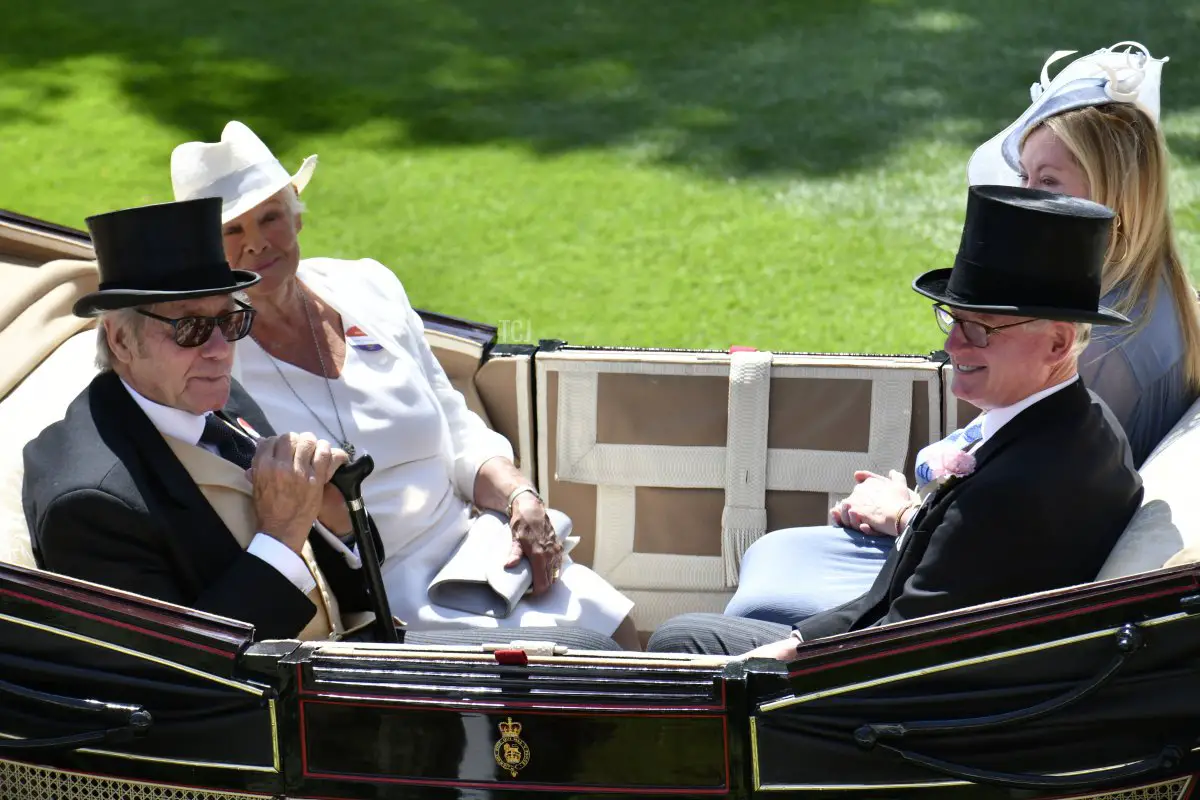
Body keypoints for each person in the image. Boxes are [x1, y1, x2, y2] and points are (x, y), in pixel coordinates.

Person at [725, 40, 1200, 627]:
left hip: (965, 577)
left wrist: (907, 515)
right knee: (772, 555)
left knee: (739, 599)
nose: (1024, 199)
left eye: (1048, 183)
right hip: (963, 536)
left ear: (1114, 196)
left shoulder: (1096, 347)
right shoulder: (1140, 299)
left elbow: (1033, 524)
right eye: (1025, 177)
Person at [21, 197, 620, 652]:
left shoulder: (219, 404)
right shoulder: (90, 503)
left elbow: (351, 570)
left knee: (608, 655)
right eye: (188, 328)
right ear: (120, 339)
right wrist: (284, 530)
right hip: (282, 742)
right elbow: (187, 678)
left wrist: (337, 519)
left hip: (368, 654)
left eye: (229, 323)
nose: (218, 350)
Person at [170, 122, 638, 649]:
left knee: (620, 629)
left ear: (297, 218)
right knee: (589, 659)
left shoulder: (366, 285)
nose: (256, 242)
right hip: (384, 594)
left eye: (270, 217)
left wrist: (519, 498)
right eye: (232, 231)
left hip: (481, 544)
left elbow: (456, 426)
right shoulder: (212, 357)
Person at [647, 185, 1144, 657]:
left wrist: (776, 659)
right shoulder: (1089, 425)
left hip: (900, 714)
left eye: (979, 327)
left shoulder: (1015, 489)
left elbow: (896, 654)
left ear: (1058, 343)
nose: (953, 345)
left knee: (680, 640)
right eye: (951, 318)